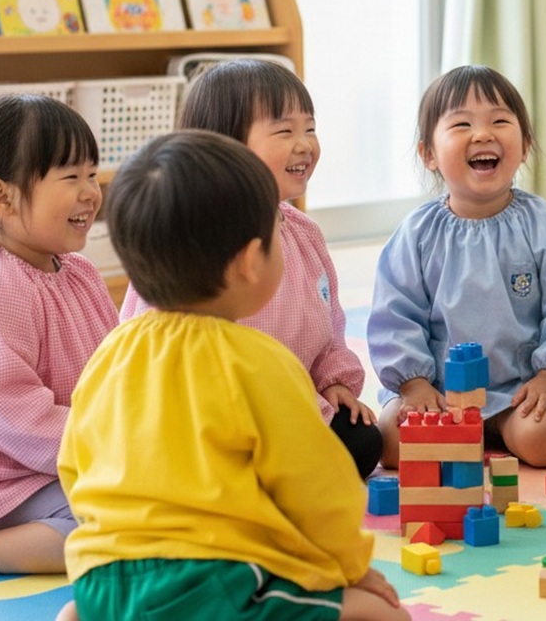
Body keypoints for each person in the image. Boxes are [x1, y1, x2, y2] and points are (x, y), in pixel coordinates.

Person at [58, 130, 408, 621]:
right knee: (382, 613)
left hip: (103, 577)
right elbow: (318, 487)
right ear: (250, 261)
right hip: (212, 581)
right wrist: (350, 569)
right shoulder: (258, 361)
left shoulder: (109, 354)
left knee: (79, 611)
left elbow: (73, 465)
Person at [120, 58, 382, 479]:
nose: (305, 144)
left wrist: (334, 380)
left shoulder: (304, 232)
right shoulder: (193, 237)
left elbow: (330, 326)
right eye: (284, 131)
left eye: (310, 128)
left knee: (364, 441)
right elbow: (154, 344)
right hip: (211, 415)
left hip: (292, 406)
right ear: (227, 147)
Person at [368, 65, 546, 469]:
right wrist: (413, 384)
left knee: (543, 441)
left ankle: (524, 431)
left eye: (499, 121)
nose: (483, 134)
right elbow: (395, 315)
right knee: (390, 444)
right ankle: (458, 435)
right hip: (440, 394)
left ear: (525, 144)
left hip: (523, 393)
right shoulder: (417, 234)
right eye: (461, 124)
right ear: (428, 154)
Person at [0, 95, 118, 576]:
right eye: (71, 178)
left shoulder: (79, 272)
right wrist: (103, 446)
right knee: (116, 526)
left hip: (67, 454)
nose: (91, 191)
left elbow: (113, 367)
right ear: (1, 197)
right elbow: (5, 410)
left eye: (92, 173)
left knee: (162, 500)